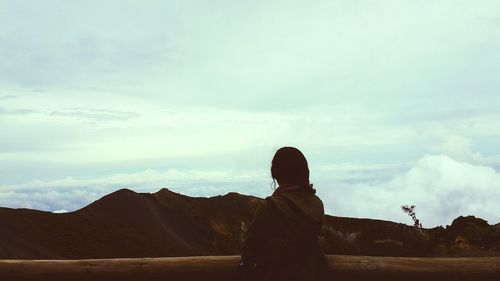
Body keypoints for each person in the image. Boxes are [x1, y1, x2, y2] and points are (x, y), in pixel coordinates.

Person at [240, 147, 328, 281]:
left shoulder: (270, 206)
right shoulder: (317, 204)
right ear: (304, 172)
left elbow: (249, 249)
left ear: (275, 173)